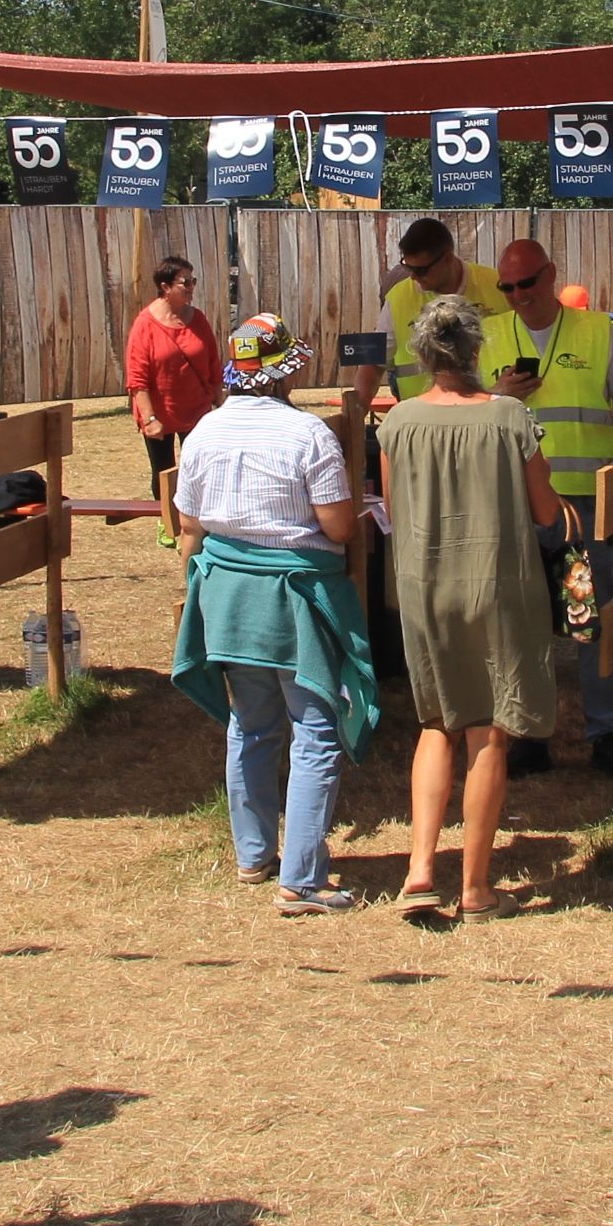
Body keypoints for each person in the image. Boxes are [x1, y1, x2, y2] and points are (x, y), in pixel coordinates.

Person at [169, 314, 375, 914]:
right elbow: (337, 525)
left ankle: (254, 854)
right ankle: (303, 880)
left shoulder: (205, 431)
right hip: (293, 598)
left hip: (227, 594)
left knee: (251, 723)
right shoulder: (308, 436)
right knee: (314, 729)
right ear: (288, 369)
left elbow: (189, 524)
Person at [378, 294, 559, 922]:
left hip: (424, 588)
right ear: (477, 350)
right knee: (489, 731)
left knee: (436, 725)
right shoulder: (510, 417)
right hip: (498, 585)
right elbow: (545, 511)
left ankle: (420, 872)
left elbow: (398, 512)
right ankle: (476, 888)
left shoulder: (396, 422)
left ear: (423, 355)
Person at [480, 236, 613, 776]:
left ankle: (606, 732)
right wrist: (500, 395)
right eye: (507, 286)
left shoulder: (599, 331)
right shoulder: (492, 333)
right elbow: (472, 416)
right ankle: (529, 731)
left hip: (585, 506)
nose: (517, 295)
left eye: (526, 283)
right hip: (519, 504)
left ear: (550, 275)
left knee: (589, 613)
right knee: (525, 620)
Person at [361, 217, 506, 410]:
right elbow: (373, 364)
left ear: (447, 258)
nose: (413, 276)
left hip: (489, 417)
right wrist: (357, 410)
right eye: (407, 266)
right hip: (423, 422)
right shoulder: (399, 298)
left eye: (420, 270)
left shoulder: (499, 286)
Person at [125, 257, 221, 530]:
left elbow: (213, 362)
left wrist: (219, 400)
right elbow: (137, 379)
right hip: (160, 411)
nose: (192, 287)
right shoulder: (145, 324)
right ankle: (167, 523)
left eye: (193, 281)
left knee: (200, 468)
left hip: (197, 408)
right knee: (164, 470)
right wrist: (149, 418)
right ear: (165, 287)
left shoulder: (198, 319)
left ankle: (199, 522)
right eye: (185, 282)